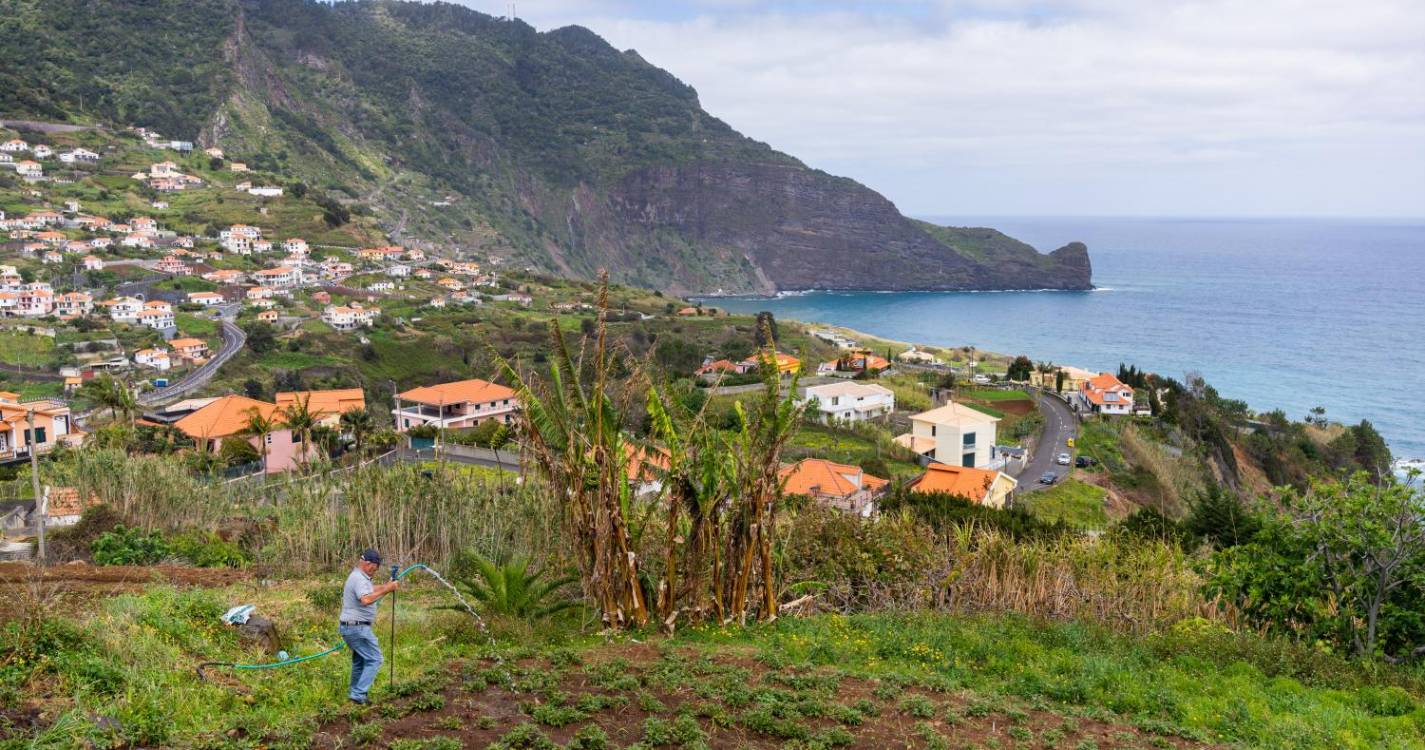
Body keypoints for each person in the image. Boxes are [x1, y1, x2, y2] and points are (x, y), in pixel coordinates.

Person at [339, 549, 398, 704]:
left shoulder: (361, 577)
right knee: (375, 659)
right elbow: (365, 599)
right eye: (374, 567)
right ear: (367, 563)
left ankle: (354, 693)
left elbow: (372, 590)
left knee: (360, 661)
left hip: (351, 627)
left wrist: (387, 586)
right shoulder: (359, 578)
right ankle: (358, 694)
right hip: (357, 628)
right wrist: (387, 589)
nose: (375, 570)